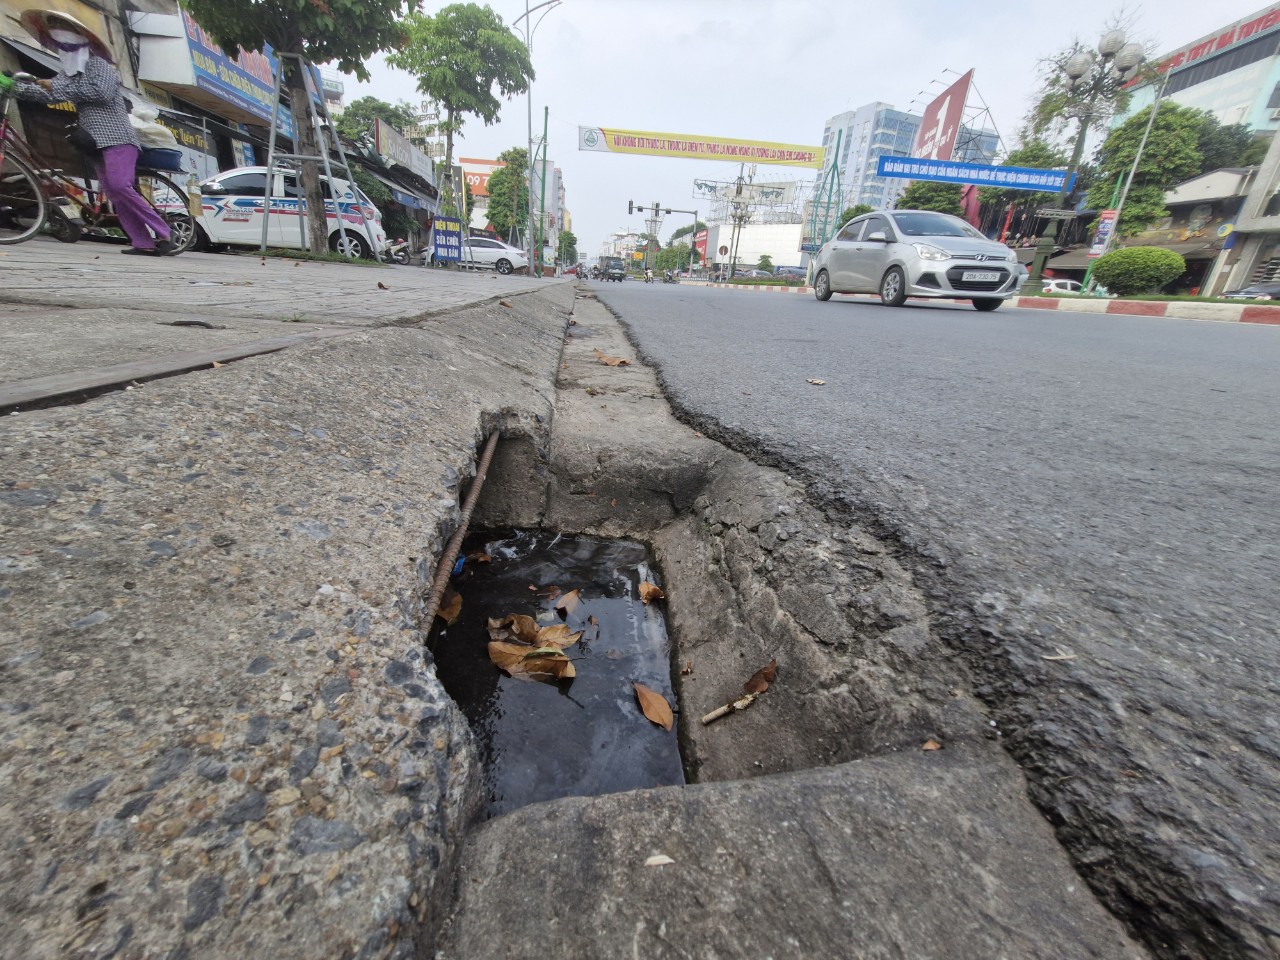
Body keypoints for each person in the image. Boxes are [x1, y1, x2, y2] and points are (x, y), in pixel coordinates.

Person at [11, 9, 180, 256]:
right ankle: (142, 242)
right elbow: (50, 95)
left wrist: (55, 85)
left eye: (62, 27)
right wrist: (14, 87)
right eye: (54, 28)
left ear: (81, 37)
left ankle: (165, 232)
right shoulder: (68, 74)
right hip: (92, 141)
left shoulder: (99, 65)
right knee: (113, 192)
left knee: (120, 186)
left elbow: (99, 92)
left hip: (118, 138)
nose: (58, 34)